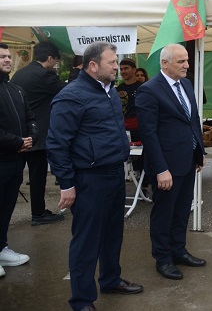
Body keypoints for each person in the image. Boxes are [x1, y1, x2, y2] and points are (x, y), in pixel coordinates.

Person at [47, 42, 144, 310]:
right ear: (93, 65)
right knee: (87, 241)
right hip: (89, 179)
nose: (117, 67)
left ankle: (111, 279)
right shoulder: (71, 96)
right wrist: (67, 184)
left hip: (113, 174)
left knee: (113, 234)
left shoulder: (109, 91)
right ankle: (82, 300)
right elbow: (57, 144)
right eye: (111, 62)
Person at [136, 44, 207, 281]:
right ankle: (163, 258)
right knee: (164, 213)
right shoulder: (149, 90)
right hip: (166, 165)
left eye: (187, 60)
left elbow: (193, 120)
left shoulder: (185, 84)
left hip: (187, 160)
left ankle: (179, 250)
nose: (187, 65)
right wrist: (161, 169)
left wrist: (199, 153)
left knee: (181, 210)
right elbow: (148, 133)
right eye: (181, 61)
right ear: (164, 64)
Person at [10, 41, 66, 226]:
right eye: (55, 61)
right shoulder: (45, 75)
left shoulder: (20, 74)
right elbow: (67, 90)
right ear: (49, 58)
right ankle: (39, 213)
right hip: (38, 135)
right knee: (37, 176)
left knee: (14, 177)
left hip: (19, 133)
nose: (55, 65)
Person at [0, 42, 36, 278]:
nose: (7, 59)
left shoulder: (16, 90)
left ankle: (1, 248)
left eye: (8, 56)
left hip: (16, 160)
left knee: (7, 207)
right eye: (1, 56)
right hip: (4, 156)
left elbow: (30, 117)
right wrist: (16, 141)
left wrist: (31, 137)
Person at [117, 58, 142, 142]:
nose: (123, 71)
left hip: (140, 129)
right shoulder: (118, 89)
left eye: (126, 68)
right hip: (122, 129)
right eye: (121, 69)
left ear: (134, 70)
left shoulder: (143, 88)